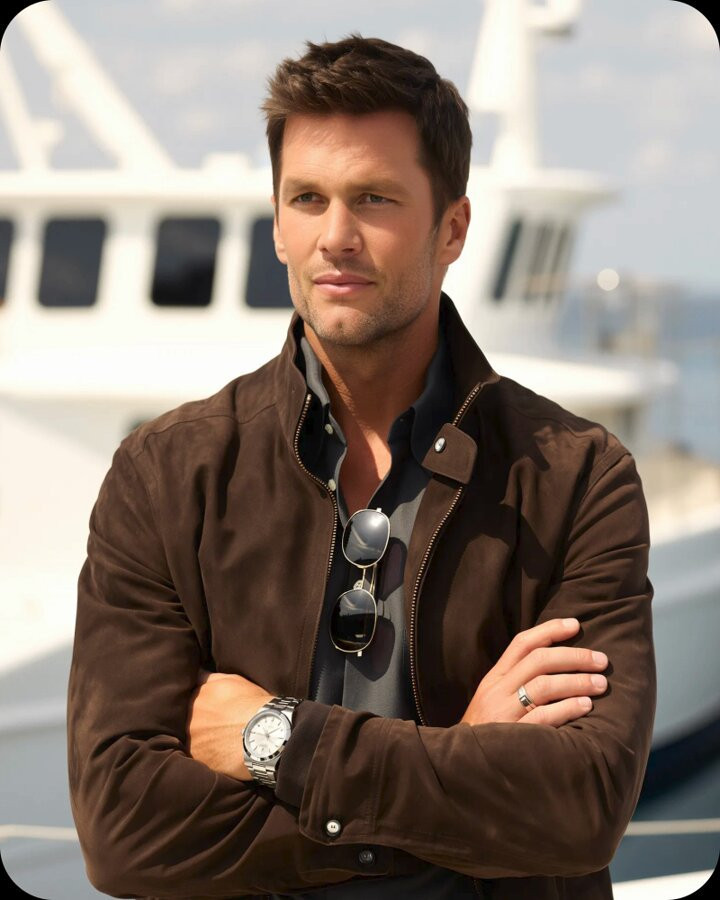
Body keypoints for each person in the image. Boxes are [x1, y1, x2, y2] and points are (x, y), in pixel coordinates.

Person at [67, 35, 655, 900]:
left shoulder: (577, 477)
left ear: (452, 228)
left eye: (374, 199)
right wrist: (458, 760)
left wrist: (275, 740)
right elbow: (123, 832)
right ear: (277, 226)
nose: (335, 236)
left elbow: (581, 808)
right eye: (307, 199)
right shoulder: (163, 475)